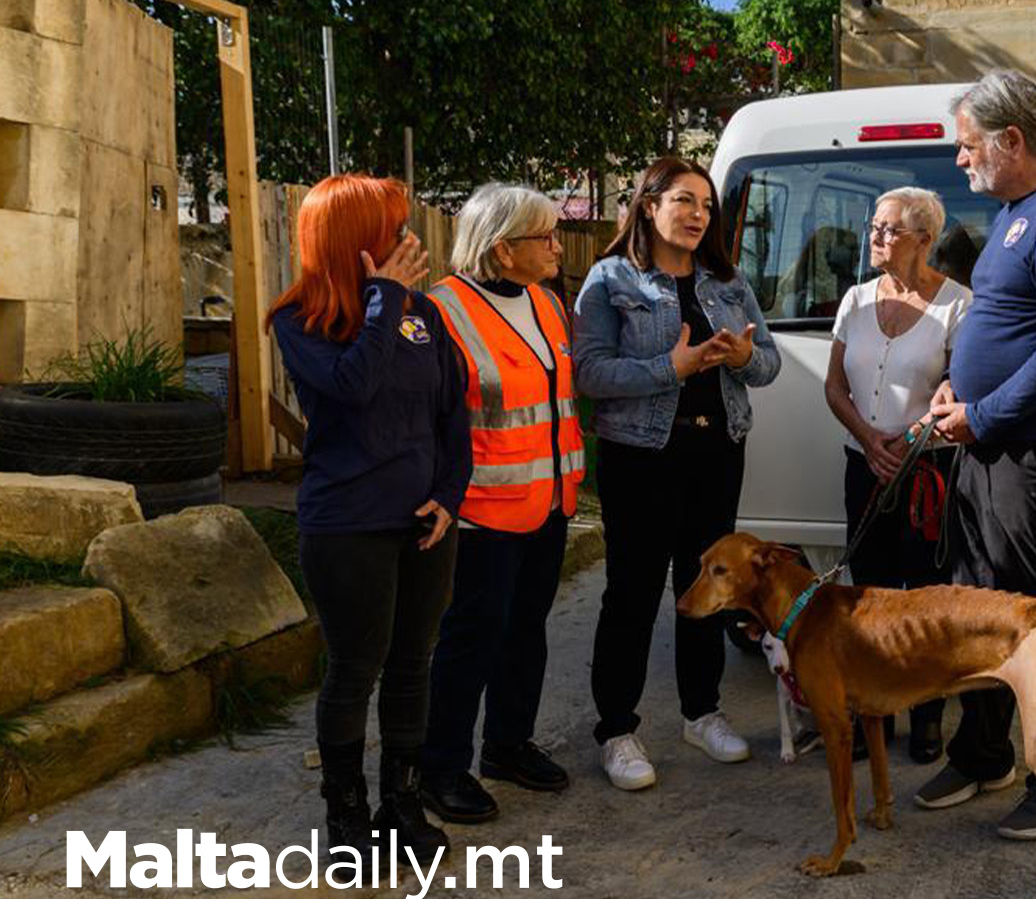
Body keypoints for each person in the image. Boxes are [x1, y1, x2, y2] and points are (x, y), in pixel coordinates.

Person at [913, 70, 1036, 842]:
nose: (960, 162)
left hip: (1028, 449)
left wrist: (984, 413)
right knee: (977, 602)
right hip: (985, 440)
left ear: (1011, 141)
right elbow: (1003, 321)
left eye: (968, 148)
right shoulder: (1017, 212)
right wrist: (956, 388)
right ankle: (984, 751)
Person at [267, 174, 471, 860]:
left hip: (423, 525)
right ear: (358, 242)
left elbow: (452, 416)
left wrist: (450, 495)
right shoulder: (299, 321)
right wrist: (384, 296)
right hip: (347, 526)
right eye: (394, 229)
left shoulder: (425, 316)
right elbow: (354, 386)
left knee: (414, 664)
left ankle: (401, 802)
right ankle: (348, 816)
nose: (409, 240)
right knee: (357, 668)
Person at [574, 156, 781, 790]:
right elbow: (590, 374)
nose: (698, 215)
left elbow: (769, 364)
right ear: (648, 205)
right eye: (685, 202)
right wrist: (674, 367)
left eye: (706, 206)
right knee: (632, 593)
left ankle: (702, 712)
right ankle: (617, 730)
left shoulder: (727, 279)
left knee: (709, 587)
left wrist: (744, 356)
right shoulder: (611, 279)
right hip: (640, 457)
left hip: (718, 451)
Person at [417, 184, 586, 824]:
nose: (555, 245)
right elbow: (429, 418)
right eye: (542, 236)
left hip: (548, 501)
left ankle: (508, 744)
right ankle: (442, 766)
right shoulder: (443, 311)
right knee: (471, 639)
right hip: (481, 511)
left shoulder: (546, 304)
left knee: (527, 631)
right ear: (500, 248)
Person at [824, 186, 971, 764]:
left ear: (924, 241)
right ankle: (872, 716)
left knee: (924, 599)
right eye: (874, 228)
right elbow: (834, 387)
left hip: (926, 474)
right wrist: (869, 439)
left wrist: (906, 444)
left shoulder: (958, 304)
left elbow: (958, 389)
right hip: (864, 466)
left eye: (889, 230)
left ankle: (928, 715)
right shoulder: (856, 298)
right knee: (868, 598)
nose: (875, 239)